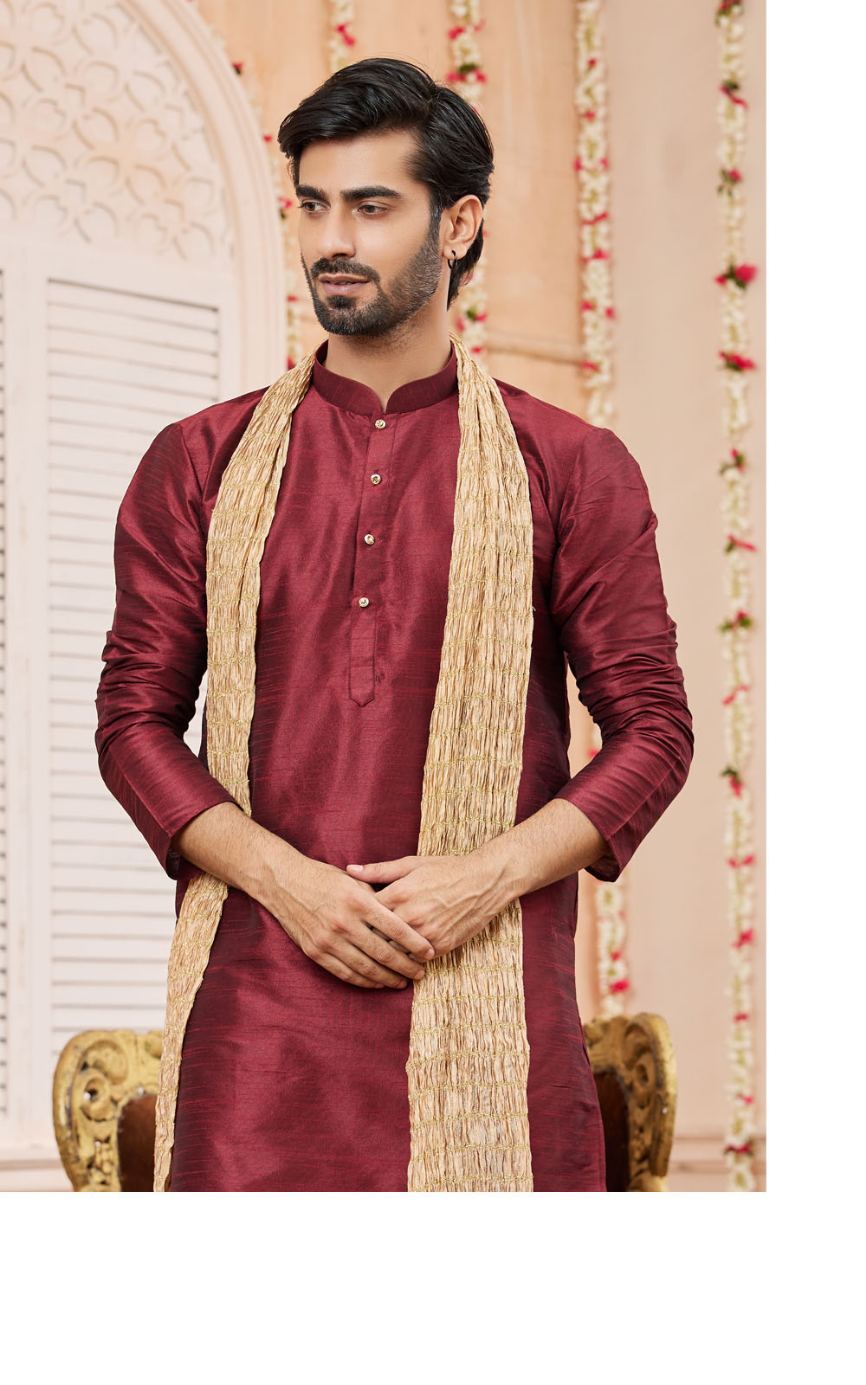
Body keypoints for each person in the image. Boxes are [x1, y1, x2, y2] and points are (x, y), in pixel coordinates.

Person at [95, 56, 694, 1192]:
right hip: (252, 1026)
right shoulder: (201, 462)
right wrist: (288, 881)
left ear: (457, 224)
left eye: (371, 207)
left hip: (490, 1005)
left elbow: (654, 731)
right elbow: (132, 721)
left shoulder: (570, 466)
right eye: (313, 204)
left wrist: (486, 876)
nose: (332, 239)